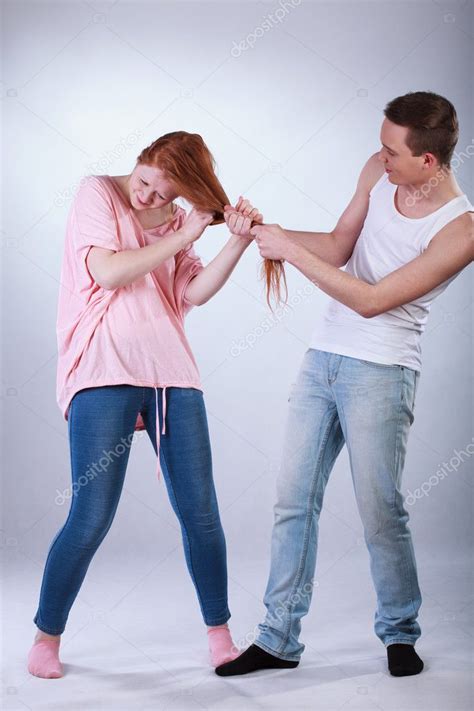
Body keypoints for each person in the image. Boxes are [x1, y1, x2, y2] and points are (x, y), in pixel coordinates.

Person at [215, 91, 474, 678]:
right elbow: (337, 247)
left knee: (380, 509)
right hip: (322, 360)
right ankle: (278, 639)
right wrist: (264, 231)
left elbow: (372, 300)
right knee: (292, 500)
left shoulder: (461, 231)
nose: (379, 158)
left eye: (392, 152)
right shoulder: (377, 170)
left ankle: (400, 634)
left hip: (382, 371)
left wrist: (288, 254)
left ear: (428, 163)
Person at [27, 131, 262, 678]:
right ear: (138, 161)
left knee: (200, 512)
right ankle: (46, 637)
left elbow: (193, 294)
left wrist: (235, 241)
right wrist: (184, 234)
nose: (151, 197)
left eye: (167, 193)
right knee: (90, 516)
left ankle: (220, 635)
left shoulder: (180, 222)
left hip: (172, 375)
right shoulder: (97, 193)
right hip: (102, 368)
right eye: (147, 181)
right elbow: (108, 271)